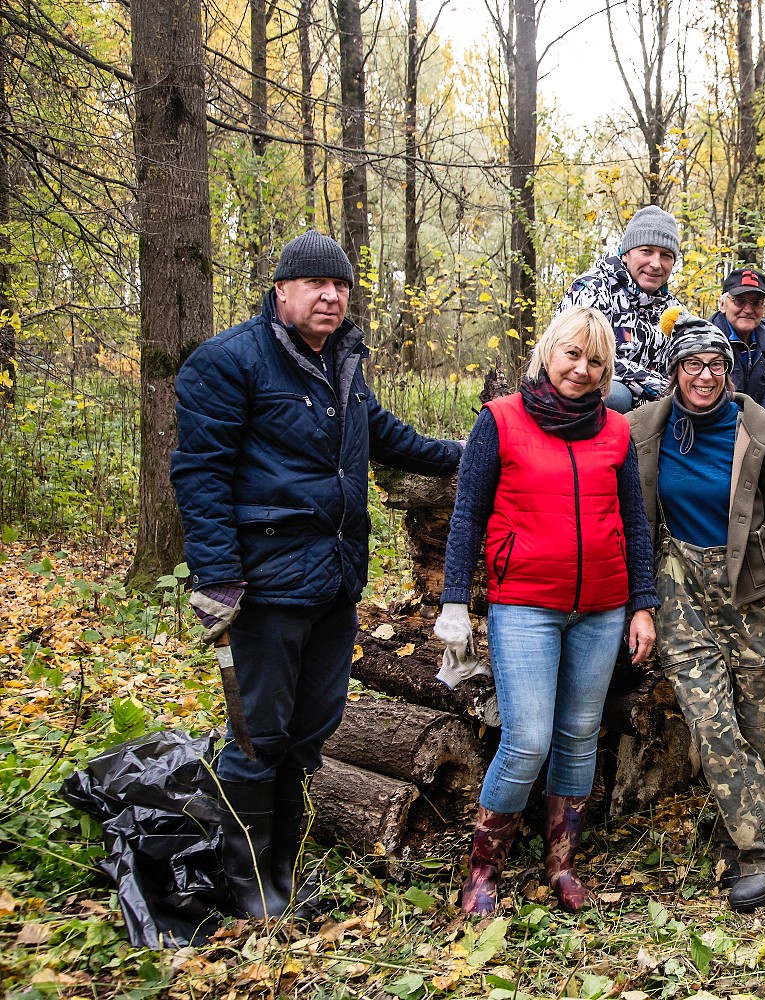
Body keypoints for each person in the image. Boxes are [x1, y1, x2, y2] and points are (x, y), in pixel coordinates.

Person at [171, 231, 462, 919]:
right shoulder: (228, 363)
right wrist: (216, 578)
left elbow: (389, 438)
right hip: (262, 585)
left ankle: (284, 870)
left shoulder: (344, 365)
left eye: (340, 286)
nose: (331, 296)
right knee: (259, 735)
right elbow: (199, 475)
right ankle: (250, 888)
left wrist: (475, 449)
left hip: (334, 580)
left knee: (310, 732)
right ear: (282, 291)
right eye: (315, 284)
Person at [433, 306, 660, 915]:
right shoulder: (500, 422)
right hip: (525, 604)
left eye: (596, 362)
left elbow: (635, 526)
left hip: (602, 608)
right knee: (528, 739)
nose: (582, 370)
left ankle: (562, 864)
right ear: (547, 353)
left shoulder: (615, 430)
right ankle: (482, 872)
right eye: (572, 355)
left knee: (580, 735)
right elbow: (467, 516)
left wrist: (642, 605)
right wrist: (455, 600)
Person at [629, 308, 765, 913]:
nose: (703, 376)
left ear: (729, 371)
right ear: (674, 369)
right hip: (682, 589)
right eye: (691, 364)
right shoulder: (643, 432)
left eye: (715, 364)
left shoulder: (763, 435)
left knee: (754, 737)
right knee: (713, 730)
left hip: (755, 593)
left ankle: (735, 837)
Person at [558, 206, 684, 411]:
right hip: (596, 393)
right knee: (616, 395)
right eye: (646, 251)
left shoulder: (674, 309)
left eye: (666, 255)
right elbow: (583, 361)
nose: (655, 263)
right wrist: (658, 385)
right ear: (626, 253)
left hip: (656, 407)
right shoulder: (592, 289)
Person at [710, 266, 765, 410]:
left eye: (756, 302)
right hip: (718, 418)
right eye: (739, 301)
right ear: (722, 304)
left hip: (761, 418)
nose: (748, 310)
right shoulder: (706, 339)